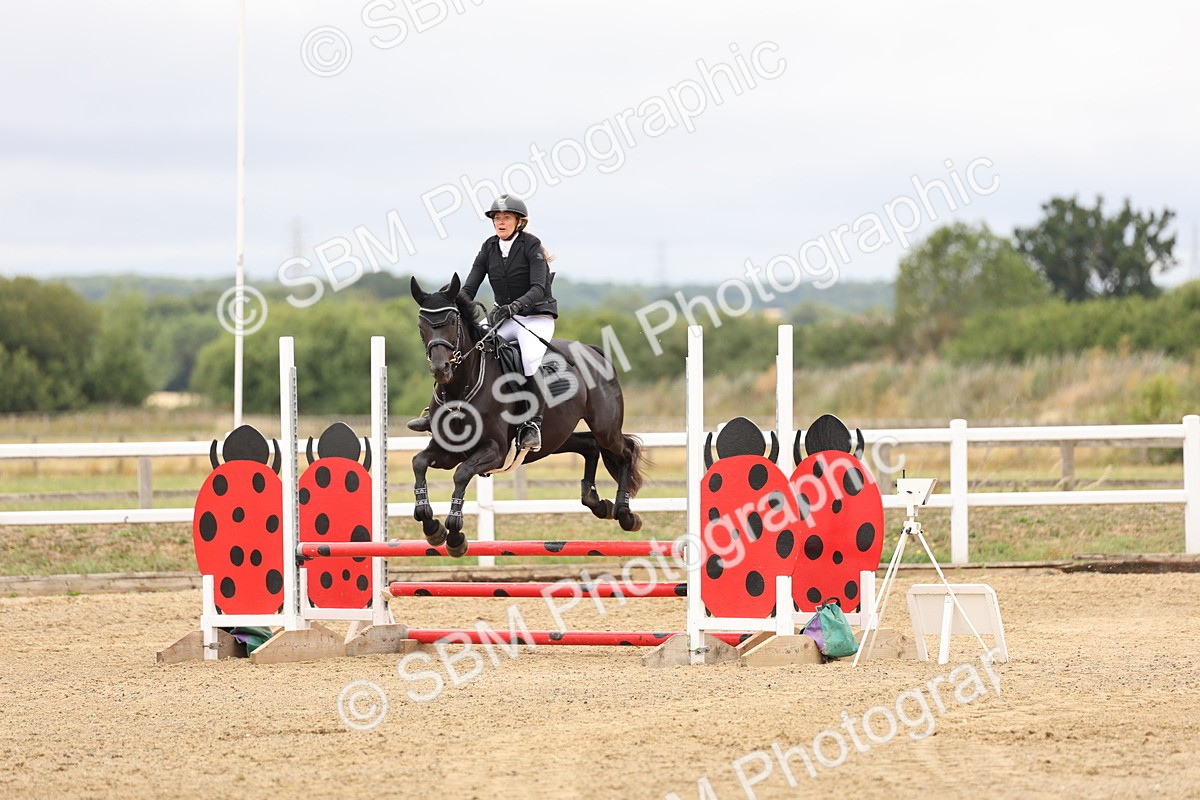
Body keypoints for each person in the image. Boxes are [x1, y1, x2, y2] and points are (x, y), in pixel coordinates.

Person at [407, 194, 558, 451]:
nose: (500, 222)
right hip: (504, 317)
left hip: (535, 317)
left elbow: (537, 288)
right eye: (497, 218)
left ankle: (532, 424)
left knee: (530, 358)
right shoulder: (489, 248)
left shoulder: (532, 247)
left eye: (506, 218)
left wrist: (515, 306)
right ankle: (436, 410)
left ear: (519, 222)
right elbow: (470, 287)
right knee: (463, 348)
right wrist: (451, 303)